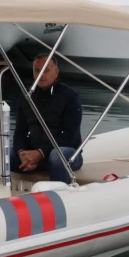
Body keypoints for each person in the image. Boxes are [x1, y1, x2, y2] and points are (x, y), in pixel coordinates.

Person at [11, 53, 83, 184]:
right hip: (35, 152)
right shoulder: (27, 97)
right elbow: (19, 133)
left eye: (46, 70)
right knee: (4, 156)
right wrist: (22, 153)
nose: (41, 74)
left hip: (68, 154)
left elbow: (69, 137)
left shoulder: (71, 97)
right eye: (37, 70)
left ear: (56, 72)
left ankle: (60, 196)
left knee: (57, 156)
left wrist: (40, 153)